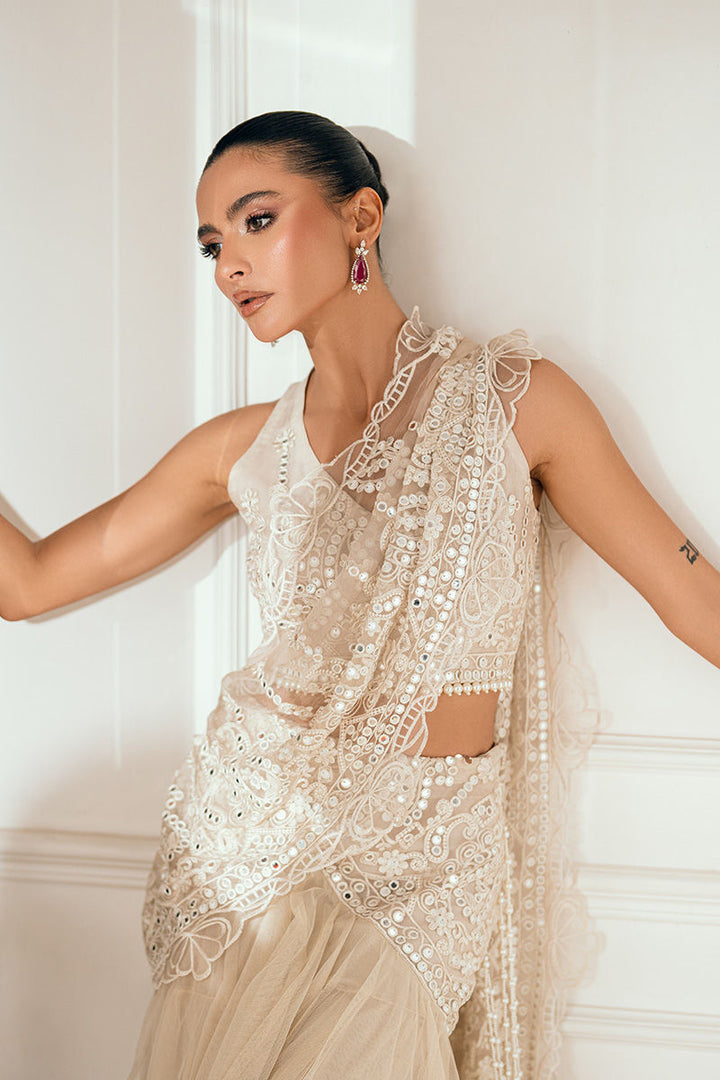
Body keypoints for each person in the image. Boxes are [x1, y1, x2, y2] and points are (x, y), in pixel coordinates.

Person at [1, 110, 718, 1079]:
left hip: (427, 866)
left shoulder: (516, 400)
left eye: (257, 221)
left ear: (361, 218)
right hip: (246, 854)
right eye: (211, 245)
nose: (228, 265)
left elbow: (694, 600)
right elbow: (28, 582)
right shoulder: (240, 449)